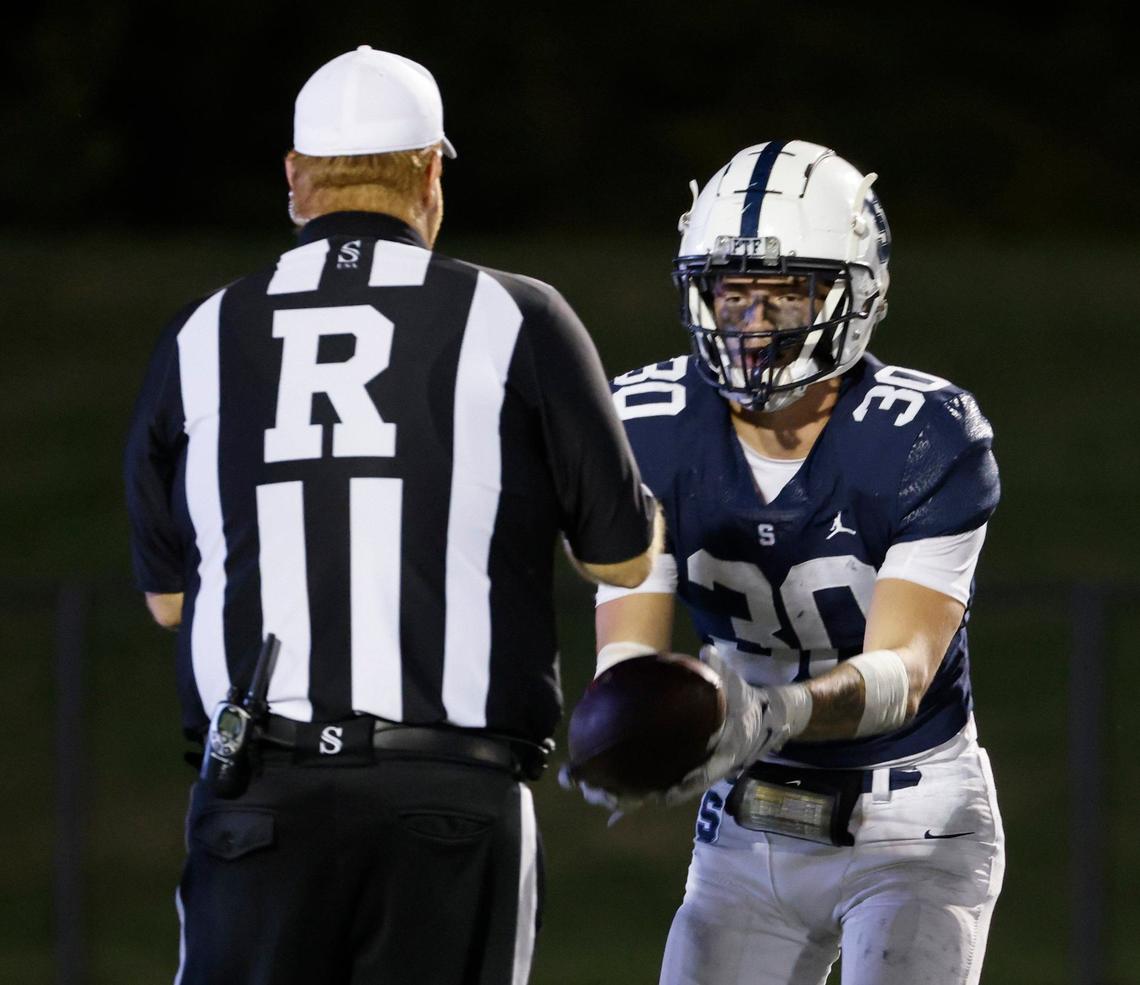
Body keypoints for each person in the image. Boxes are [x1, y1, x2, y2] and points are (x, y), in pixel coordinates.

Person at [123, 45, 660, 985]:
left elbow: (170, 600)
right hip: (446, 791)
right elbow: (621, 559)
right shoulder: (516, 316)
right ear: (430, 174)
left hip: (260, 792)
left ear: (295, 179)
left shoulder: (203, 331)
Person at [578, 140, 1005, 985]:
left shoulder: (922, 435)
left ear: (856, 294)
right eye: (733, 290)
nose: (754, 319)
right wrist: (630, 727)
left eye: (786, 291)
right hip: (744, 823)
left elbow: (903, 672)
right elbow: (628, 640)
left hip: (908, 819)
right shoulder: (647, 422)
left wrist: (766, 714)